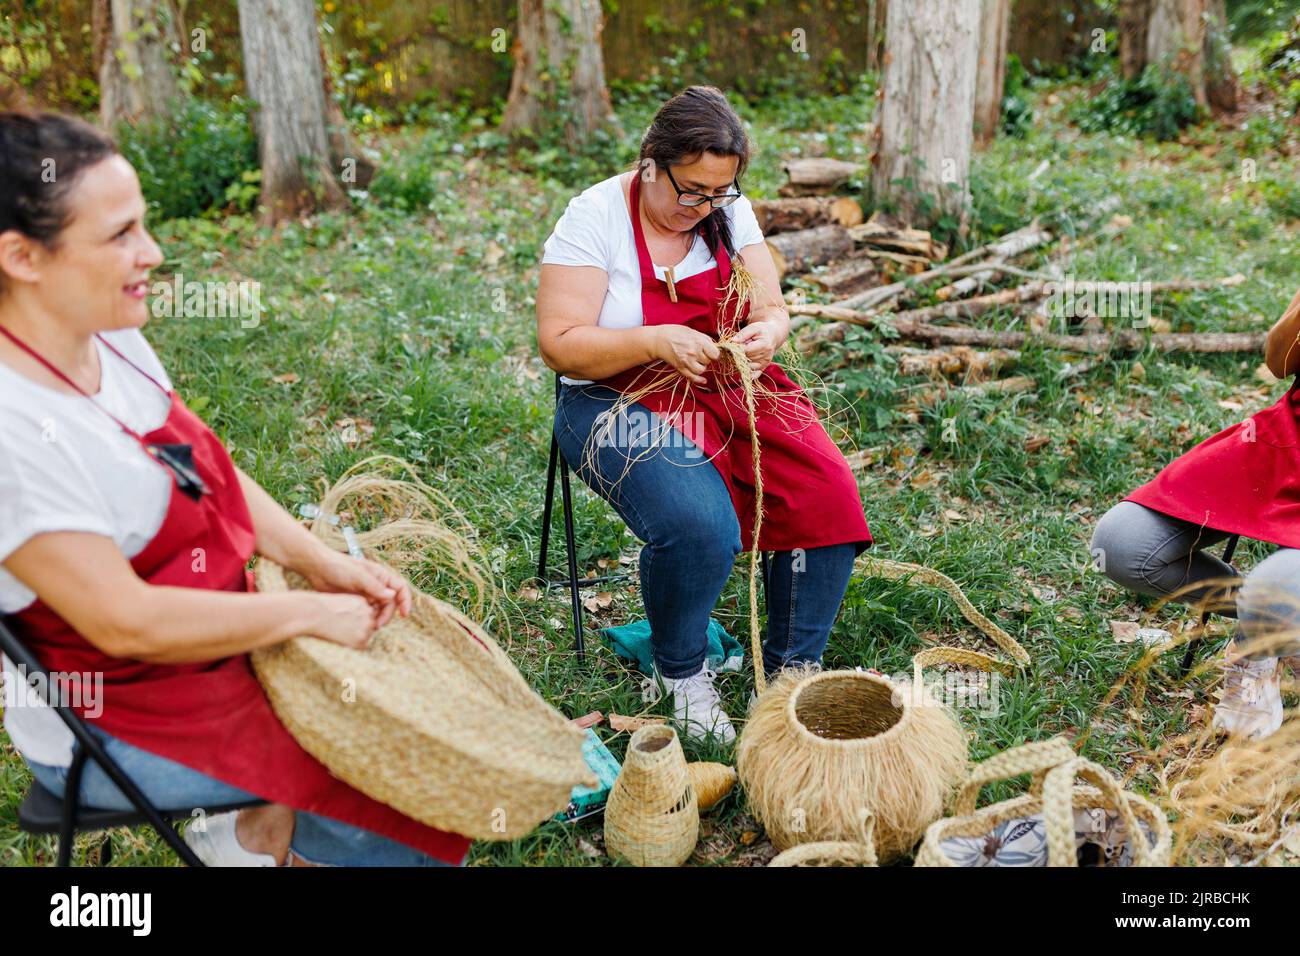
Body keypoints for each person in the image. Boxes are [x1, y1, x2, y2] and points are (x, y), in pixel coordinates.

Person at [0, 111, 469, 866]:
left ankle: (253, 837)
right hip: (122, 713)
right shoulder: (13, 434)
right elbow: (128, 625)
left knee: (425, 721)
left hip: (216, 638)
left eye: (143, 225)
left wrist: (324, 562)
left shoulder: (106, 330)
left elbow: (206, 471)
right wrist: (311, 614)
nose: (151, 253)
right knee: (402, 777)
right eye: (120, 235)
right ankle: (263, 838)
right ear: (22, 256)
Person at [535, 87, 871, 745]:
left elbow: (772, 308)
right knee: (698, 523)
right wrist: (653, 341)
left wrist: (768, 334)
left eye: (719, 193)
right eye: (690, 191)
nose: (703, 208)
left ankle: (791, 673)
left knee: (825, 488)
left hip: (728, 383)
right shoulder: (595, 216)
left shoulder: (726, 210)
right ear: (651, 164)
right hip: (612, 396)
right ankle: (680, 671)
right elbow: (559, 342)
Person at [1091, 286, 1300, 740]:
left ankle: (1260, 643)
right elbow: (1280, 364)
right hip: (1287, 440)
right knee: (1120, 546)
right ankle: (1271, 617)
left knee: (1281, 585)